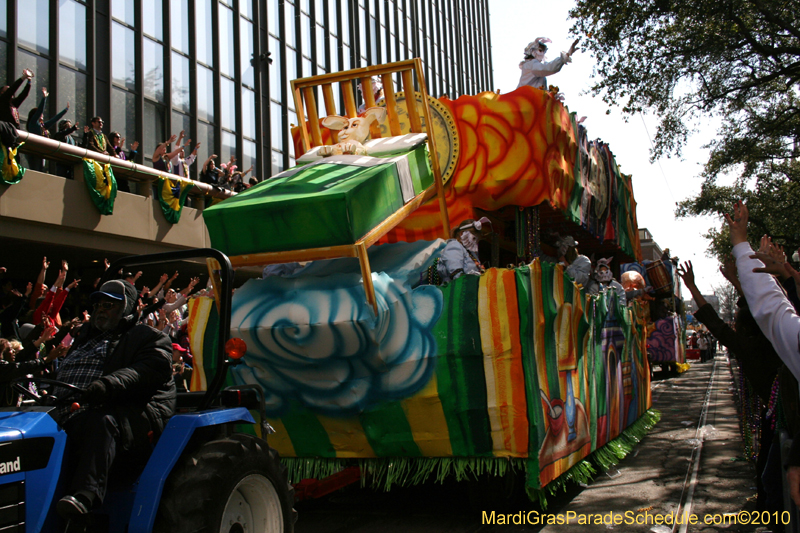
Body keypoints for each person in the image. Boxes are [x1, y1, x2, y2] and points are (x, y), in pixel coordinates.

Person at [54, 279, 174, 518]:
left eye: (109, 305)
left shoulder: (148, 337)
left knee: (102, 421)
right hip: (74, 407)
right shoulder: (83, 338)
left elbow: (151, 368)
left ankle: (85, 496)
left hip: (132, 411)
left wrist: (107, 384)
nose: (101, 310)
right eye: (98, 305)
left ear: (127, 309)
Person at [434, 218, 491, 284]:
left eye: (477, 239)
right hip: (455, 290)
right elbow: (456, 274)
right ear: (461, 233)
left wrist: (479, 270)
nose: (476, 241)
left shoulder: (470, 252)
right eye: (474, 238)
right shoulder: (454, 245)